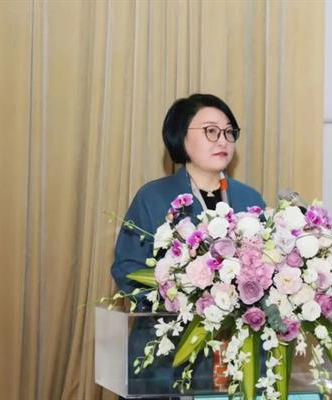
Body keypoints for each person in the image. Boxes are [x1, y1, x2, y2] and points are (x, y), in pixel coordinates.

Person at [110, 93, 266, 397]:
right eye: (211, 131)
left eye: (229, 132)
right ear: (181, 136)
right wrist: (179, 294)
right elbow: (127, 268)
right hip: (168, 349)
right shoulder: (153, 197)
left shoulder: (249, 198)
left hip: (235, 351)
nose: (222, 140)